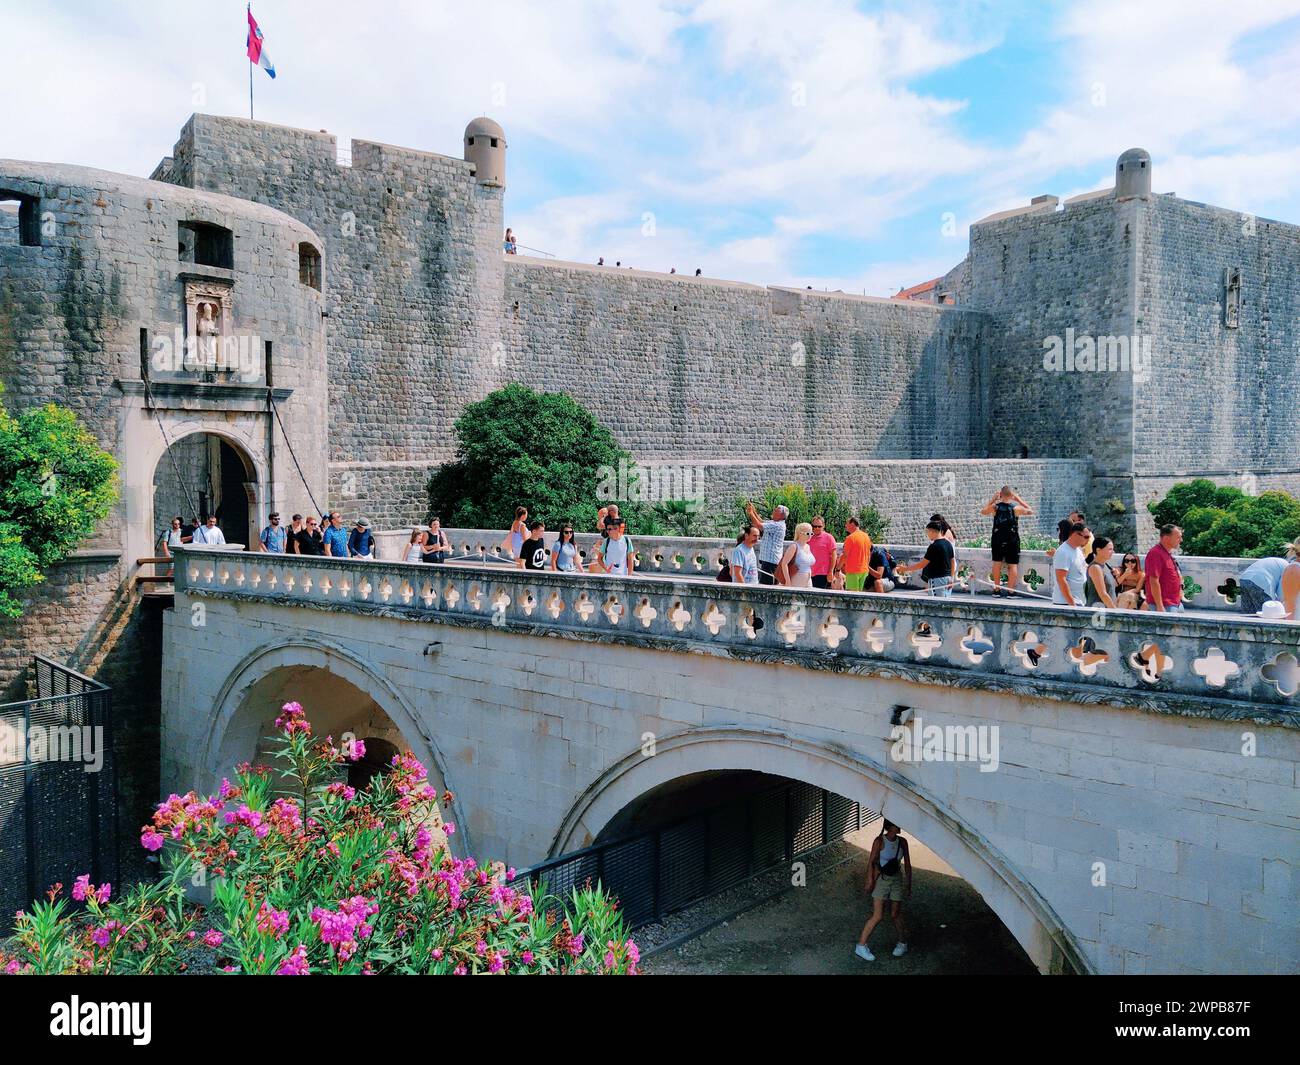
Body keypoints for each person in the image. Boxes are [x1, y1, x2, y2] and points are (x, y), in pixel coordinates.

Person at [854, 820, 911, 963]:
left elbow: (908, 864)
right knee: (877, 915)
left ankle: (902, 943)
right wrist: (869, 880)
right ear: (889, 827)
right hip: (882, 879)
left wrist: (908, 884)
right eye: (897, 824)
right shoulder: (879, 841)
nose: (899, 826)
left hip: (896, 878)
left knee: (895, 914)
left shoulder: (903, 842)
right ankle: (861, 945)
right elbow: (871, 861)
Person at [981, 487, 1033, 596]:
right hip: (1012, 540)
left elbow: (983, 512)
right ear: (1011, 495)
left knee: (997, 564)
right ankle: (1010, 591)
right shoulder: (1016, 508)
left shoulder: (995, 507)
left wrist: (993, 499)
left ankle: (996, 589)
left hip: (997, 539)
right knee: (1013, 565)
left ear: (1000, 494)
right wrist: (1018, 500)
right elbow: (1030, 511)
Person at [1237, 540, 1300, 617]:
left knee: (1248, 615)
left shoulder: (1282, 563)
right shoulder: (1288, 568)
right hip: (1261, 582)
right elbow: (1282, 594)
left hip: (1245, 579)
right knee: (1269, 614)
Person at [895, 520, 955, 596]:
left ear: (932, 531)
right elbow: (952, 562)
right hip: (948, 579)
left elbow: (922, 565)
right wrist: (952, 578)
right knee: (946, 604)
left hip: (937, 581)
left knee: (936, 605)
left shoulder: (934, 546)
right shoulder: (948, 544)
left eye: (927, 532)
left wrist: (905, 569)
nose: (927, 535)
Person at [744, 501, 789, 585]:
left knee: (767, 585)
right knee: (766, 583)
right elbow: (761, 522)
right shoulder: (774, 523)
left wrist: (750, 513)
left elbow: (759, 526)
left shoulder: (778, 525)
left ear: (781, 515)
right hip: (768, 560)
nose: (774, 510)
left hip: (771, 561)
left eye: (776, 510)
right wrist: (754, 511)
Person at [1144, 524, 1185, 612]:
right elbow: (1154, 581)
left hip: (1175, 603)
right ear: (1166, 538)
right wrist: (1159, 605)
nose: (1181, 540)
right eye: (1178, 537)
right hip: (1164, 605)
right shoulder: (1155, 553)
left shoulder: (1166, 553)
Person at [1051, 522, 1090, 606]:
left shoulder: (1078, 550)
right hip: (1066, 603)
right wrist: (1072, 605)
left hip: (1079, 601)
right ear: (1075, 535)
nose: (1088, 540)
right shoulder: (1063, 552)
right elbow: (1061, 579)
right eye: (1086, 537)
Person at [838, 517, 873, 591]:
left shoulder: (850, 538)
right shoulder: (866, 536)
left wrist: (837, 569)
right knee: (859, 596)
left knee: (852, 597)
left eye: (847, 524)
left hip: (853, 571)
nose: (845, 526)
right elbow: (869, 554)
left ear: (852, 524)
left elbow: (845, 556)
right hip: (864, 571)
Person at [778, 522, 816, 588]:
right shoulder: (794, 546)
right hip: (797, 578)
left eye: (811, 533)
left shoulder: (808, 546)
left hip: (808, 578)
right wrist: (787, 580)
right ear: (800, 533)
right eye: (807, 533)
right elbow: (784, 563)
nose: (810, 536)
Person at [1085, 536, 1117, 608]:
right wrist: (1115, 611)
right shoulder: (1095, 568)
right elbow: (1103, 594)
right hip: (1098, 612)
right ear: (1098, 550)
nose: (1113, 552)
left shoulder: (1105, 566)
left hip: (1106, 610)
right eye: (1110, 549)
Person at [807, 516, 838, 589]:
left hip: (823, 573)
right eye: (814, 526)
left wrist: (831, 571)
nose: (817, 528)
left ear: (823, 526)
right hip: (809, 573)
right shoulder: (808, 537)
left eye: (819, 526)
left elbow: (834, 556)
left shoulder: (829, 538)